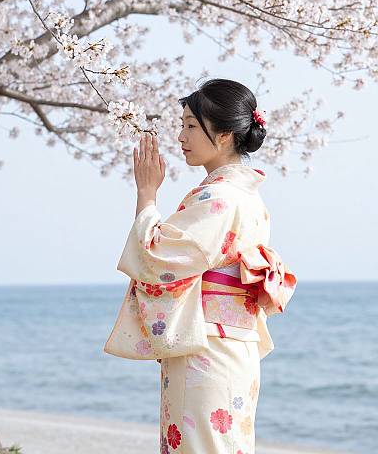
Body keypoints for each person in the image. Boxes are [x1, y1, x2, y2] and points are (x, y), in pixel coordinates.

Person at [104, 78, 297, 454]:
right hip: (226, 343)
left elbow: (158, 257)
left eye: (191, 125)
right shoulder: (245, 197)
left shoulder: (221, 198)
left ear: (224, 135)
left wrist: (146, 195)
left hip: (208, 346)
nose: (181, 136)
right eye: (182, 125)